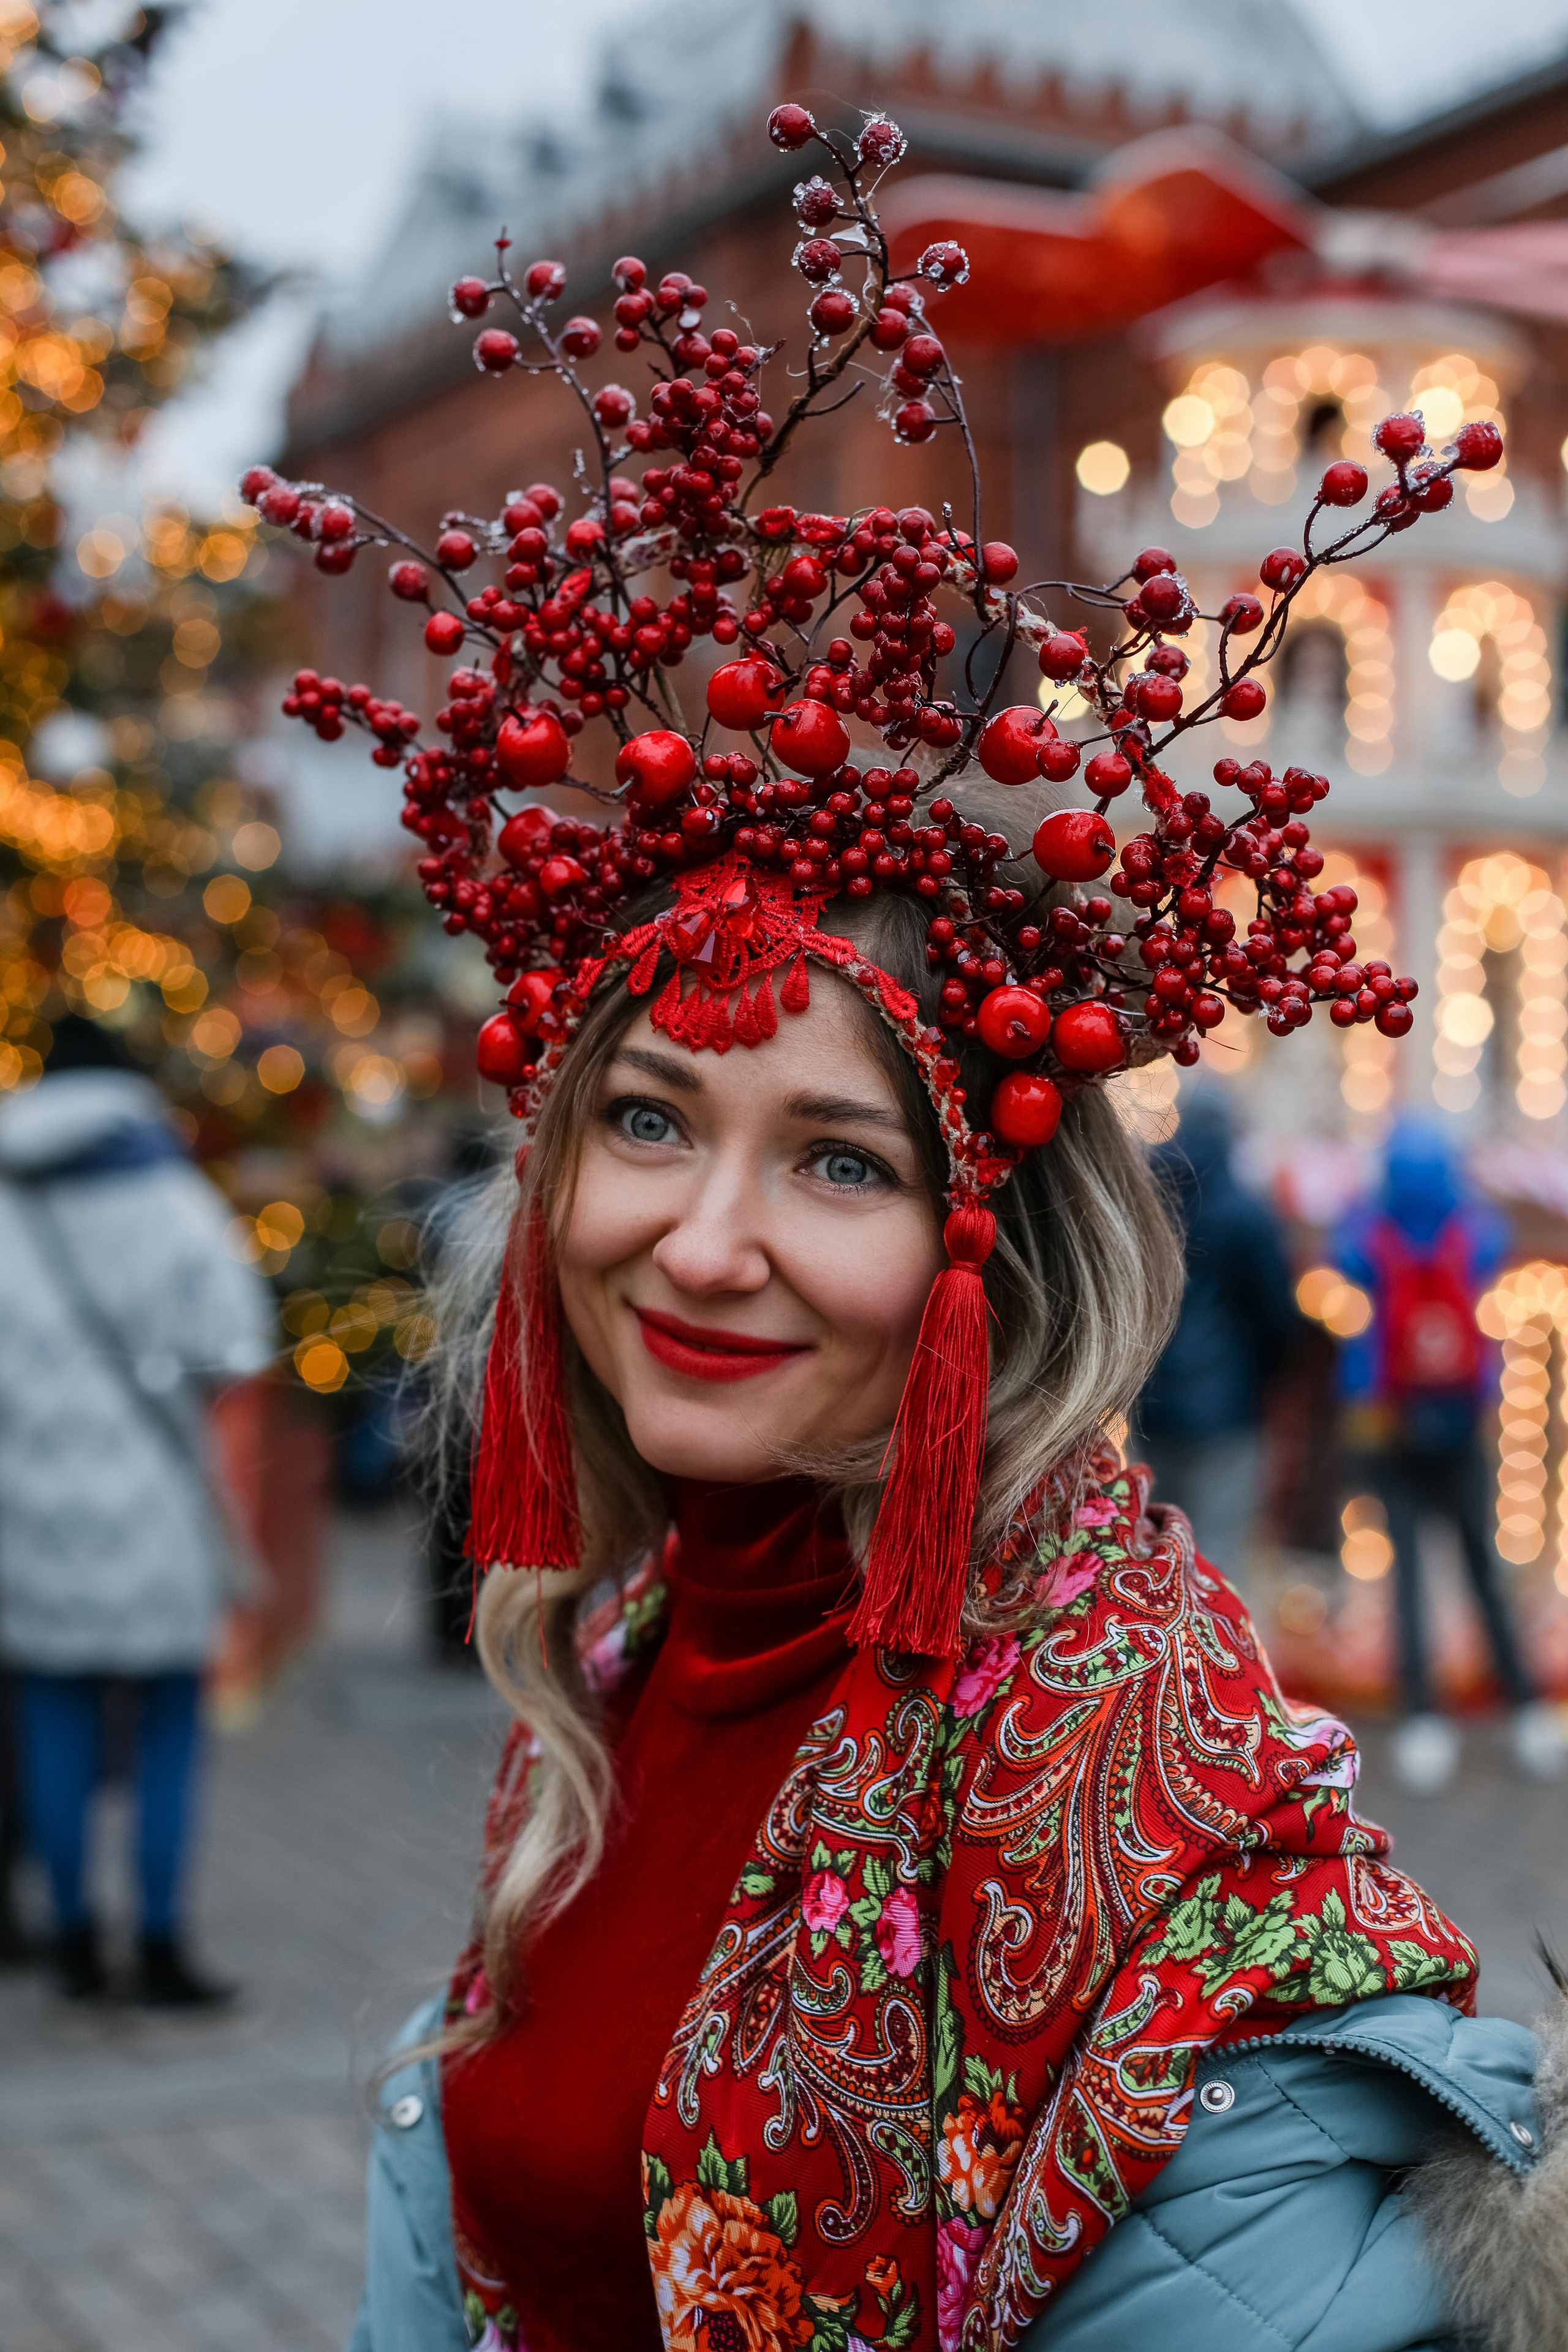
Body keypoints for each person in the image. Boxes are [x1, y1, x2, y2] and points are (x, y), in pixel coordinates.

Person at [333, 786, 1565, 2352]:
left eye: (836, 1162)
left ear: (983, 1242)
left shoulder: (1140, 1773)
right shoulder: (616, 1651)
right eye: (646, 1118)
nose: (704, 1245)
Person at [0, 1015, 273, 2002]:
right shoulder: (173, 1198)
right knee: (167, 1732)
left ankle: (71, 1941)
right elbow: (239, 1349)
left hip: (27, 1515)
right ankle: (159, 1946)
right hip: (159, 1508)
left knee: (55, 1724)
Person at [1334, 1115, 1560, 1795]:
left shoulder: (1368, 1231)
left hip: (1387, 1419)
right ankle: (1522, 1708)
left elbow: (1343, 1263)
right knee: (1480, 1569)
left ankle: (1421, 1719)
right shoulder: (1472, 1227)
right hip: (1461, 1419)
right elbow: (1493, 1243)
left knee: (1405, 1577)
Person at [1134, 1087, 1303, 1597]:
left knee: (1155, 1549)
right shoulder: (1247, 1213)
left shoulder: (1148, 1201)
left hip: (1154, 1401)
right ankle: (1218, 1671)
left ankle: (1156, 1664)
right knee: (1220, 1556)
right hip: (1228, 1411)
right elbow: (1277, 1317)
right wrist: (1266, 1382)